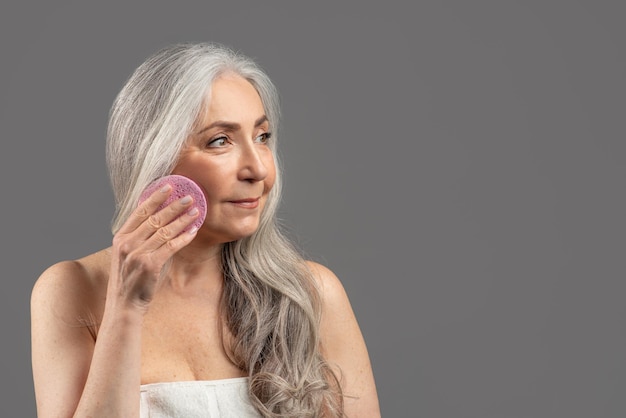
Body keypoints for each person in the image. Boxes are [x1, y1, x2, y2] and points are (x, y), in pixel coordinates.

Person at [30, 43, 380, 417]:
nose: (258, 169)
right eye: (220, 141)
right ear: (153, 155)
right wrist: (126, 307)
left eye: (262, 137)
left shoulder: (311, 295)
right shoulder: (71, 289)